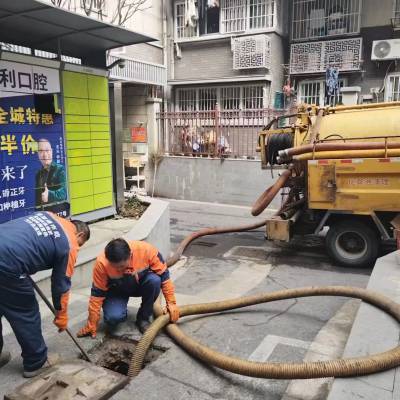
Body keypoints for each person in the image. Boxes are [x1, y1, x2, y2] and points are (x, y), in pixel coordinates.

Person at [0, 212, 90, 378]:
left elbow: (30, 241)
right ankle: (36, 362)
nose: (78, 248)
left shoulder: (48, 215)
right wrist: (61, 315)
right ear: (80, 234)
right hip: (7, 262)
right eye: (81, 244)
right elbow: (61, 285)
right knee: (25, 312)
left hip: (5, 249)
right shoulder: (70, 243)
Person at [77, 238, 179, 338]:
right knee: (113, 318)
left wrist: (171, 303)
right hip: (116, 290)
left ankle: (143, 318)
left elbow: (165, 276)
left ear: (130, 256)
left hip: (139, 285)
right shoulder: (102, 263)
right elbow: (97, 294)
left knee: (155, 280)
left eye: (121, 266)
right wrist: (92, 323)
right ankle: (119, 310)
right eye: (114, 266)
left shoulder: (146, 251)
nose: (118, 269)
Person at [35, 138, 67, 212]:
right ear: (38, 154)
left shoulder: (60, 169)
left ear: (51, 151)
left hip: (58, 213)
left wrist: (49, 194)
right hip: (44, 215)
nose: (45, 154)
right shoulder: (38, 174)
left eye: (47, 150)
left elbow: (63, 193)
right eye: (41, 151)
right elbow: (37, 200)